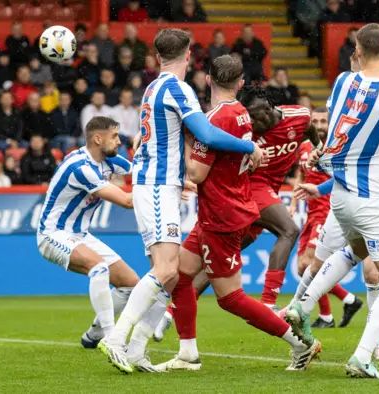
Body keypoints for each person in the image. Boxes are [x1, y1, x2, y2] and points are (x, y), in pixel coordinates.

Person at [98, 28, 263, 374]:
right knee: (166, 270)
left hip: (159, 184)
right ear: (188, 55)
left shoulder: (152, 88)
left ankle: (138, 348)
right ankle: (117, 339)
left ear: (157, 58)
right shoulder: (177, 88)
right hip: (157, 187)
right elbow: (205, 133)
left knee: (172, 276)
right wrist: (249, 145)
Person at [156, 54, 321, 373]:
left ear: (208, 80)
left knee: (230, 298)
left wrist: (186, 140)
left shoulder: (215, 119)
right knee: (180, 275)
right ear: (240, 83)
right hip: (224, 208)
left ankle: (301, 344)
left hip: (222, 215)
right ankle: (187, 352)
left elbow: (198, 173)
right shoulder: (242, 114)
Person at [286, 23, 379, 379]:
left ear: (357, 50)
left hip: (341, 196)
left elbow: (339, 131)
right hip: (374, 196)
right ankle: (363, 357)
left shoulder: (344, 81)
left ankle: (303, 304)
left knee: (354, 250)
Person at [36, 116, 141, 352]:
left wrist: (180, 182)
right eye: (114, 136)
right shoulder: (81, 167)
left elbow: (141, 173)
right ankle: (112, 338)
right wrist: (164, 194)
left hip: (79, 234)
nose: (119, 141)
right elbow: (126, 200)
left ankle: (93, 335)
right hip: (52, 234)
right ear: (97, 138)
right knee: (99, 267)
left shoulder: (108, 160)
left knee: (130, 284)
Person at [288, 107, 363, 330]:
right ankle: (347, 301)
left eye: (323, 121)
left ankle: (321, 314)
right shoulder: (303, 147)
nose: (320, 125)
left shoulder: (335, 147)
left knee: (308, 264)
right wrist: (293, 204)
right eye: (316, 121)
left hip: (328, 211)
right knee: (304, 269)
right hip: (311, 213)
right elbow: (300, 174)